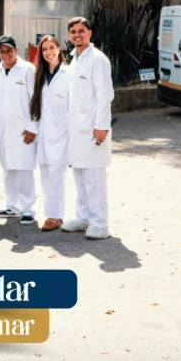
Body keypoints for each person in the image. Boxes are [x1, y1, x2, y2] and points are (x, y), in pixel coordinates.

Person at [62, 17, 114, 240]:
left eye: (81, 31)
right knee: (80, 176)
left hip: (94, 131)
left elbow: (105, 96)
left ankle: (100, 224)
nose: (77, 35)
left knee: (94, 180)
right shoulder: (74, 59)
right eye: (73, 31)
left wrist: (101, 126)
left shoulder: (97, 59)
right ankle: (83, 218)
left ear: (90, 33)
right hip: (76, 131)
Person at [0, 34, 38, 224]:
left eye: (9, 50)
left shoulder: (27, 70)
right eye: (2, 51)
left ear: (16, 50)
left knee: (24, 169)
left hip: (23, 130)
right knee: (8, 169)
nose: (6, 54)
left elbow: (35, 99)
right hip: (2, 130)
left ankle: (28, 209)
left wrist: (33, 126)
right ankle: (12, 206)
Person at [29, 35, 70, 231]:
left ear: (59, 49)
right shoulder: (40, 76)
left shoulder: (68, 74)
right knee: (45, 175)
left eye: (52, 47)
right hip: (44, 134)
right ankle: (52, 213)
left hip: (62, 134)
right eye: (44, 49)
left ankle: (55, 216)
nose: (48, 52)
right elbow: (35, 106)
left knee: (56, 176)